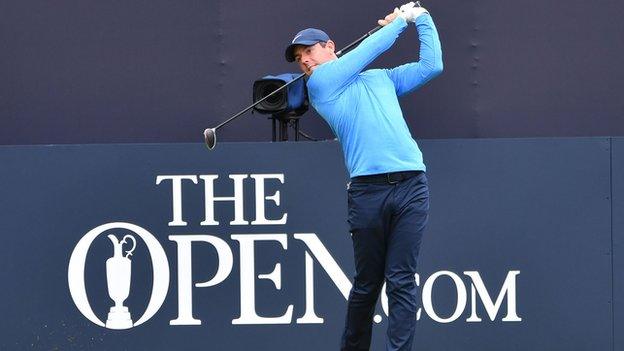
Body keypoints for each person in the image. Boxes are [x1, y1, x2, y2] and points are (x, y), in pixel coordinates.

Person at [285, 2, 442, 350]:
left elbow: (433, 66)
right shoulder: (322, 85)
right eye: (299, 58)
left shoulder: (381, 78)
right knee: (368, 283)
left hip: (411, 184)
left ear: (330, 47)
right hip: (367, 192)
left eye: (309, 51)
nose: (305, 61)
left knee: (401, 280)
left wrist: (422, 18)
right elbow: (372, 48)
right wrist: (401, 20)